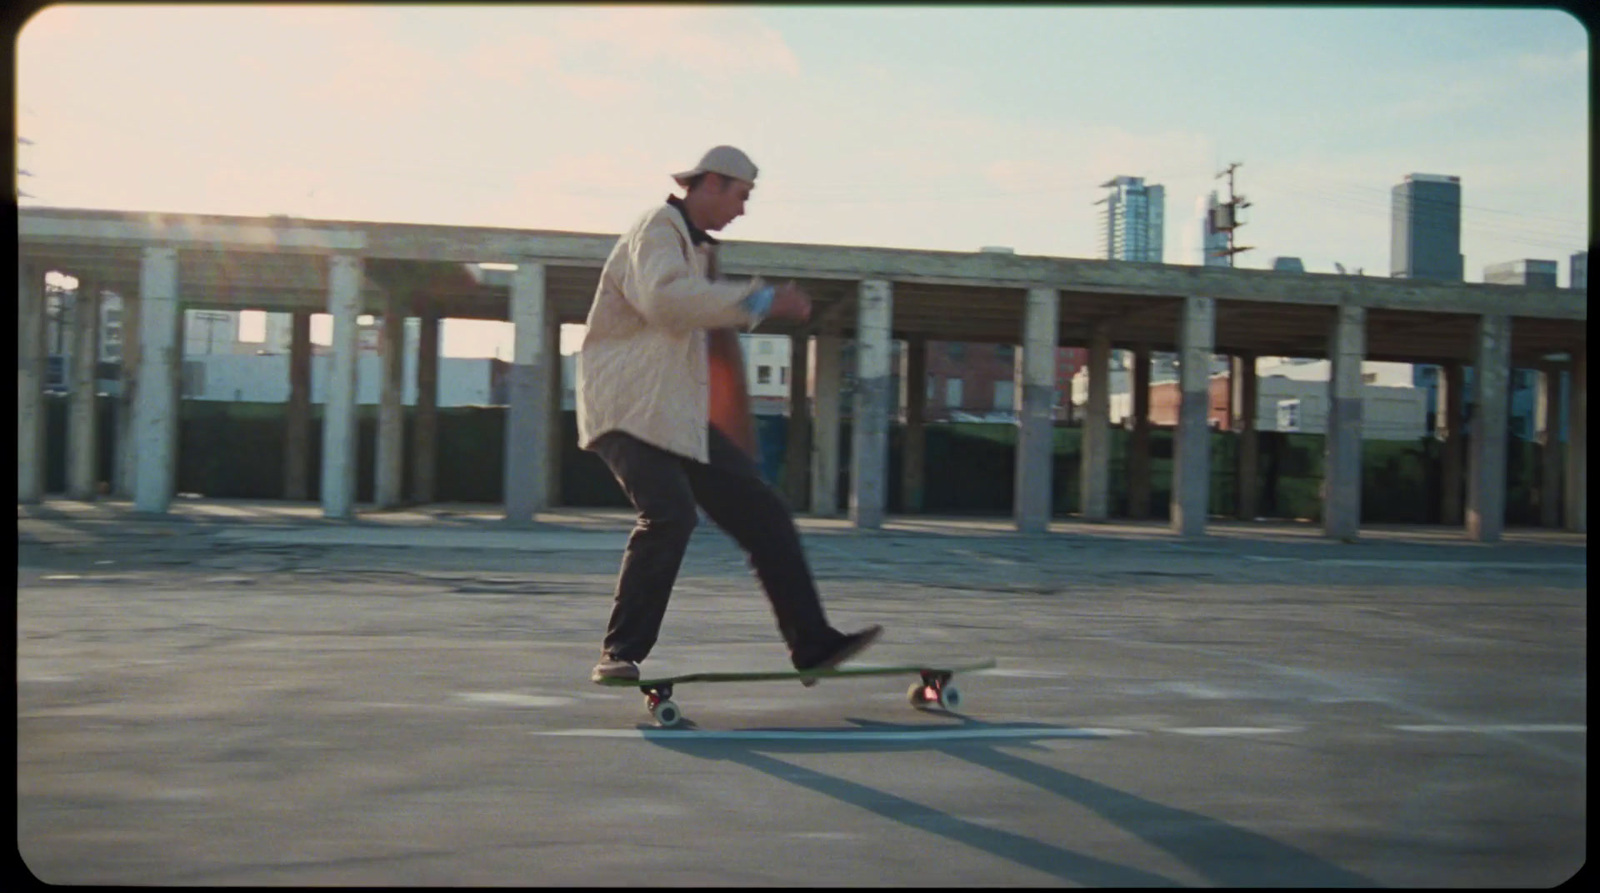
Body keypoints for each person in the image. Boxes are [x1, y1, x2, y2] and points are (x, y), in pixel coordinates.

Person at [575, 145, 881, 683]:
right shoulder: (658, 227)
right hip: (628, 410)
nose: (742, 210)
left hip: (676, 417)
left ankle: (812, 645)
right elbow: (667, 302)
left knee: (766, 515)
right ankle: (619, 652)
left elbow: (705, 337)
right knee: (669, 513)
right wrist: (760, 301)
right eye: (741, 196)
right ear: (710, 183)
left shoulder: (697, 250)